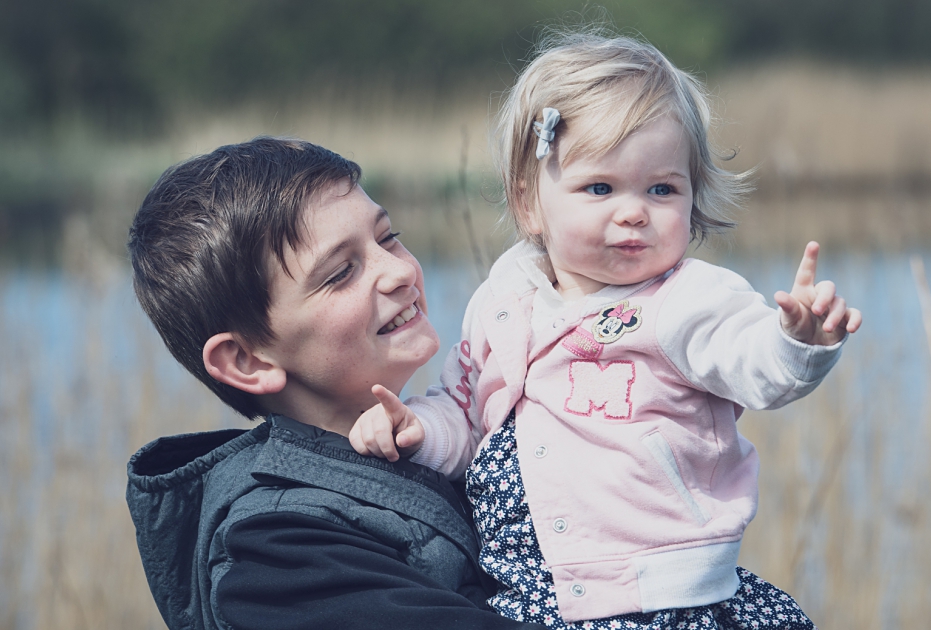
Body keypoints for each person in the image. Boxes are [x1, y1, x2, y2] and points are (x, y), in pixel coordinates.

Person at [350, 31, 862, 630]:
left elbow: (752, 360)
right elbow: (465, 413)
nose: (633, 210)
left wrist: (798, 342)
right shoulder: (502, 301)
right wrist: (416, 430)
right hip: (526, 594)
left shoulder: (684, 298)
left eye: (662, 189)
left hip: (658, 597)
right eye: (600, 188)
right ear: (529, 204)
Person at [123, 137, 549, 630]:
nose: (400, 271)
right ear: (247, 360)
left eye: (388, 238)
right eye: (341, 272)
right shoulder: (278, 561)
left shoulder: (451, 442)